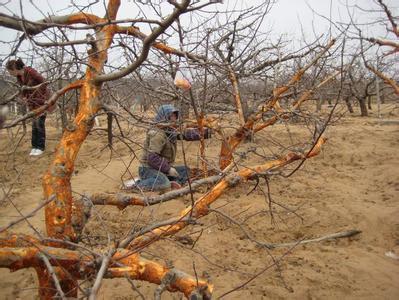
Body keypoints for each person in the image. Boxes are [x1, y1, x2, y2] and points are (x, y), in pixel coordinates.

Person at [131, 104, 211, 192]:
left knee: (185, 170)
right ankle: (138, 185)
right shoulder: (157, 134)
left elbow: (185, 135)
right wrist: (168, 169)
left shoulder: (169, 130)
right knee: (163, 185)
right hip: (148, 169)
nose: (174, 119)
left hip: (160, 168)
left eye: (175, 116)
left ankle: (170, 181)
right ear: (164, 117)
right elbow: (152, 159)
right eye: (171, 116)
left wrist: (206, 133)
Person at [6, 58, 50, 156]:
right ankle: (34, 147)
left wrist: (42, 97)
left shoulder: (31, 71)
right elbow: (23, 90)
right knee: (34, 125)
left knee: (39, 124)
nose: (9, 74)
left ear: (14, 68)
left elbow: (44, 82)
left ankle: (40, 147)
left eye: (9, 71)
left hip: (40, 102)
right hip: (31, 104)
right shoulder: (19, 77)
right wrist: (24, 97)